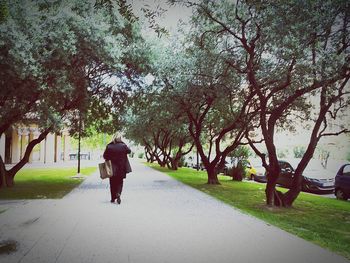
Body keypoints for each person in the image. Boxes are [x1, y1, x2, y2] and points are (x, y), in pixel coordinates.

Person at [103, 132, 131, 204]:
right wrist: (123, 143)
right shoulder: (123, 146)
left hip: (111, 168)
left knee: (112, 183)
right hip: (121, 168)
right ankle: (118, 193)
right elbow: (129, 151)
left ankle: (113, 198)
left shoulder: (109, 146)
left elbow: (105, 156)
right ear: (120, 138)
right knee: (120, 182)